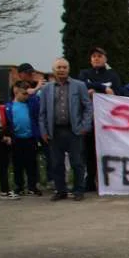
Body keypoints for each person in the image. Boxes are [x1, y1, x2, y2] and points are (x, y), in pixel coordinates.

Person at [39, 58, 93, 201]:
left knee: (77, 162)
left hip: (74, 131)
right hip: (54, 131)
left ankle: (78, 190)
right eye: (59, 67)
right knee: (56, 163)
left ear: (68, 69)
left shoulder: (79, 86)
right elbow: (42, 112)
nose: (61, 70)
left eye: (64, 67)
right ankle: (61, 190)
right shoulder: (46, 89)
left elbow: (88, 107)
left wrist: (85, 126)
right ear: (53, 70)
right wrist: (43, 131)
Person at [78, 47, 123, 191]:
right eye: (93, 56)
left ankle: (109, 180)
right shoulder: (84, 73)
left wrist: (94, 90)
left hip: (108, 122)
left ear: (105, 59)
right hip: (90, 120)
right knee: (89, 152)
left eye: (99, 56)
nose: (96, 58)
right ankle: (89, 181)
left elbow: (118, 92)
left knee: (108, 151)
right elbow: (82, 86)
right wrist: (103, 88)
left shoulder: (112, 75)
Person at [7, 81, 41, 197]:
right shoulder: (9, 106)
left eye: (27, 94)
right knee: (17, 165)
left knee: (32, 163)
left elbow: (37, 106)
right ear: (16, 91)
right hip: (16, 140)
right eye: (24, 93)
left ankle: (32, 186)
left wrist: (33, 93)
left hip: (30, 138)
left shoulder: (30, 104)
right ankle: (19, 186)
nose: (26, 96)